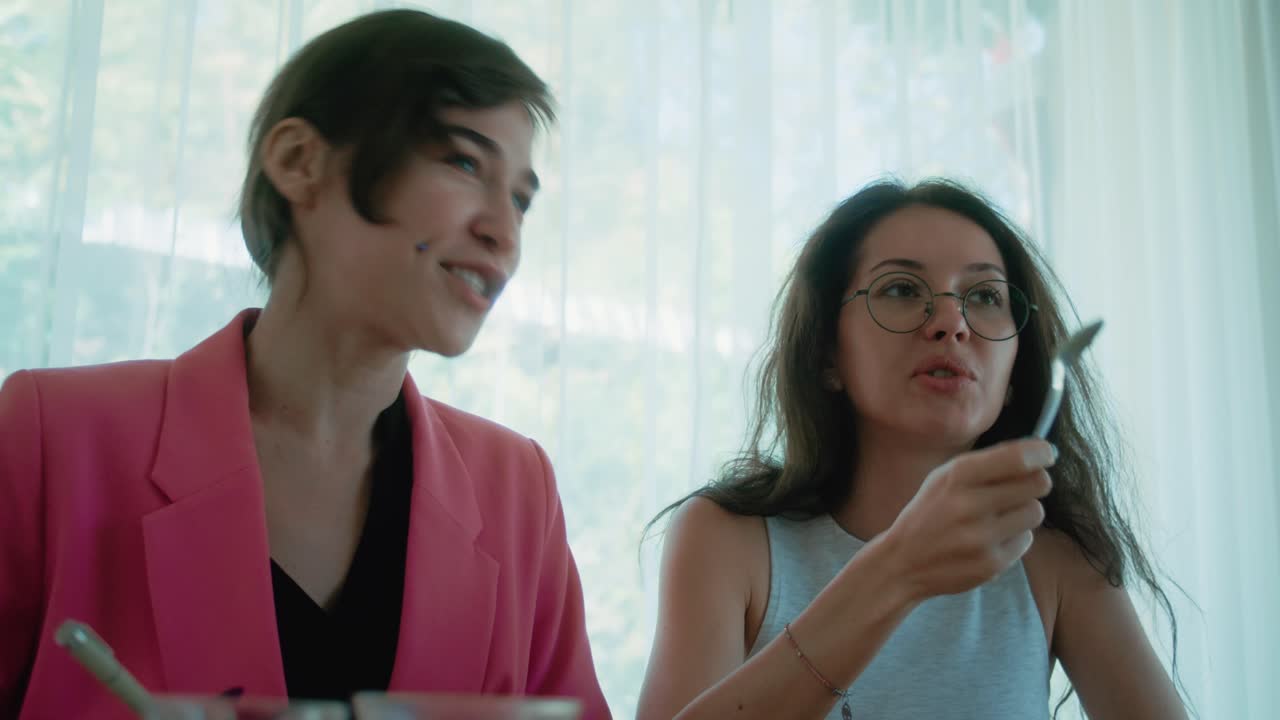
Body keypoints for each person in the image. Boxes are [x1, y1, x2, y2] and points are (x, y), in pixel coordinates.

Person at [0, 10, 609, 719]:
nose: (503, 232)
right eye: (465, 163)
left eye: (523, 201)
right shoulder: (54, 436)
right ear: (297, 162)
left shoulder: (518, 492)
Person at [637, 179, 1187, 719]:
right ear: (827, 354)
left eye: (984, 296)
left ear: (1016, 371)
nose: (952, 321)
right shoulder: (727, 539)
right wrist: (897, 567)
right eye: (901, 290)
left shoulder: (1051, 552)